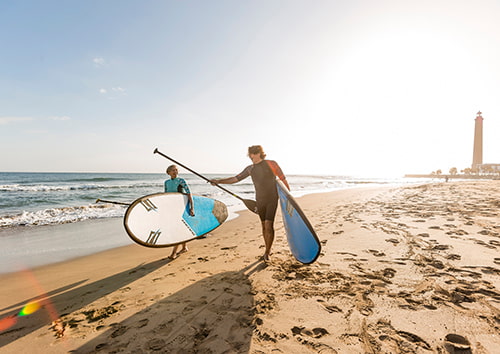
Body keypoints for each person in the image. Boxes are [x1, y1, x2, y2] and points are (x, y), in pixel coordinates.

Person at [210, 145, 289, 262]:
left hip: (272, 199)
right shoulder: (250, 169)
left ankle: (267, 252)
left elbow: (283, 179)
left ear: (259, 153)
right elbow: (236, 179)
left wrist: (289, 197)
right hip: (260, 200)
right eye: (251, 154)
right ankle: (267, 249)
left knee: (268, 225)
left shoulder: (271, 163)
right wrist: (219, 181)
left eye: (254, 153)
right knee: (263, 225)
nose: (252, 156)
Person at [164, 164, 195, 259]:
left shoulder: (181, 181)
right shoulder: (166, 182)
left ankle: (174, 253)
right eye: (172, 170)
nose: (175, 172)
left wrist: (191, 208)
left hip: (180, 207)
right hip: (171, 207)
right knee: (179, 227)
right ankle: (184, 247)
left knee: (177, 228)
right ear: (168, 172)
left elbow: (189, 194)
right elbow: (165, 196)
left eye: (176, 170)